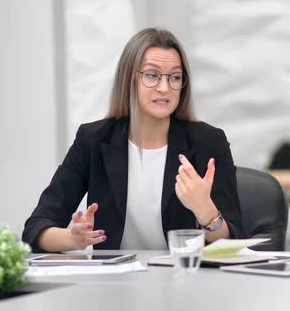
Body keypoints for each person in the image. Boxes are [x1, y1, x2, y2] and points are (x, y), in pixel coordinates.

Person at [23, 28, 244, 252]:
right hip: (114, 282)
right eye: (152, 75)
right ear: (129, 79)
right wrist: (73, 238)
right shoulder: (93, 140)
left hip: (185, 278)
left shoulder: (208, 142)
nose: (165, 87)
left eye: (175, 77)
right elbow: (36, 229)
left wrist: (205, 210)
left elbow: (233, 242)